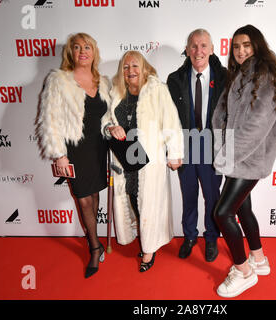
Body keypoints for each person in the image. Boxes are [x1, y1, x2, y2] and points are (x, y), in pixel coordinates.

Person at [212, 24, 276, 297]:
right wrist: (222, 143)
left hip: (249, 158)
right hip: (237, 157)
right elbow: (222, 114)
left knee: (222, 213)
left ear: (256, 45)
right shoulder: (241, 76)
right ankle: (258, 258)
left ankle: (243, 271)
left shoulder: (266, 77)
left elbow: (256, 127)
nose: (240, 51)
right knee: (242, 209)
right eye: (236, 46)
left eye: (246, 45)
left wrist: (227, 156)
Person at [36, 33, 111, 279]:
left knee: (95, 193)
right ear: (71, 53)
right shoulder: (59, 80)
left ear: (93, 52)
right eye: (77, 47)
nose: (82, 51)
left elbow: (109, 116)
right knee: (84, 199)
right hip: (75, 151)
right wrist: (59, 154)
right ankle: (94, 247)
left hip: (99, 148)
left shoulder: (104, 81)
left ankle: (94, 235)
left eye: (87, 47)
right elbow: (50, 120)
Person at [102, 51, 183, 272]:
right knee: (132, 198)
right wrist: (111, 127)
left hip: (150, 160)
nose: (130, 71)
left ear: (144, 67)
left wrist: (175, 152)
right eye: (126, 67)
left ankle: (149, 248)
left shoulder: (157, 90)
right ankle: (144, 237)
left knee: (149, 203)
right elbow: (106, 119)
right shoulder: (116, 92)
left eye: (135, 66)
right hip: (125, 157)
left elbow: (171, 122)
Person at [167, 29, 227, 262]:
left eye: (203, 45)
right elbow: (169, 118)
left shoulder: (226, 77)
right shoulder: (175, 79)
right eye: (193, 46)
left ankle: (211, 238)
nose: (198, 51)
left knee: (213, 198)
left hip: (216, 146)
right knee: (188, 195)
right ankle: (189, 236)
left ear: (212, 49)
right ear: (187, 50)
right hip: (186, 144)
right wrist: (172, 150)